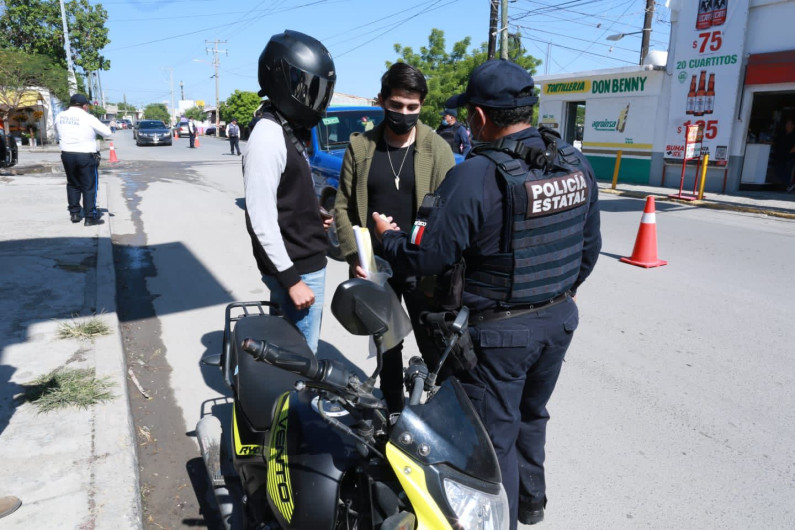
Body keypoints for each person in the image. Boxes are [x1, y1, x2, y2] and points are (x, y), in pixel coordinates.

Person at [373, 59, 601, 529]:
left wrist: (386, 239)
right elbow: (589, 248)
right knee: (532, 416)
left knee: (491, 443)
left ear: (477, 118)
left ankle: (505, 520)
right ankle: (531, 504)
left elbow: (428, 259)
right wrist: (561, 292)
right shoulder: (574, 162)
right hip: (558, 321)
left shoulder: (475, 176)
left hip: (499, 337)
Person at [333, 62, 456, 412]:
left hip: (421, 263)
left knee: (435, 340)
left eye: (412, 107)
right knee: (387, 344)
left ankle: (441, 412)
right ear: (382, 101)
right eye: (397, 105)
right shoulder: (361, 148)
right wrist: (354, 256)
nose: (404, 114)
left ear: (421, 106)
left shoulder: (437, 149)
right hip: (376, 264)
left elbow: (450, 214)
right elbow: (342, 207)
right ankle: (393, 411)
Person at [243, 30, 336, 354]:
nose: (313, 98)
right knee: (299, 357)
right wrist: (291, 280)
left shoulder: (286, 129)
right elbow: (260, 218)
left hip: (304, 263)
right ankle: (294, 405)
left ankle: (291, 400)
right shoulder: (267, 136)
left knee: (289, 351)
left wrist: (315, 215)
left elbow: (288, 196)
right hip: (297, 271)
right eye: (306, 88)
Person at [55, 93, 112, 226]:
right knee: (89, 186)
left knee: (73, 184)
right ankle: (90, 217)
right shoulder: (88, 117)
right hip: (85, 155)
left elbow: (57, 133)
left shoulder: (60, 116)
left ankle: (74, 213)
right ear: (84, 106)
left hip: (67, 154)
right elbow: (107, 132)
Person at [773, 116, 795, 192]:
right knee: (779, 170)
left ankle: (789, 185)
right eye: (786, 124)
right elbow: (776, 141)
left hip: (789, 157)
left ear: (793, 125)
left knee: (786, 171)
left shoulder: (793, 134)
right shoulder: (783, 133)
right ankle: (788, 185)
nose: (787, 125)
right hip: (780, 156)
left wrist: (790, 152)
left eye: (789, 124)